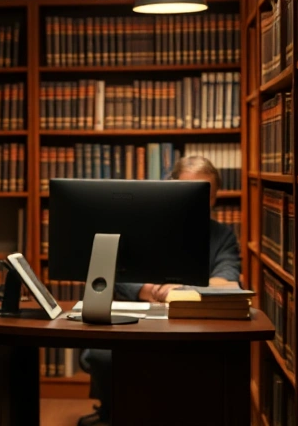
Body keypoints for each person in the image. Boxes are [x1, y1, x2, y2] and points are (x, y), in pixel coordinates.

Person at [77, 156, 242, 426]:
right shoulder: (142, 225)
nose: (193, 202)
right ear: (171, 189)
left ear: (214, 198)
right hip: (138, 320)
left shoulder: (222, 236)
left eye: (203, 195)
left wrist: (179, 290)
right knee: (101, 354)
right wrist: (151, 290)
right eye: (186, 193)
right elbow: (111, 272)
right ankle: (112, 411)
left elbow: (228, 282)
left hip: (193, 326)